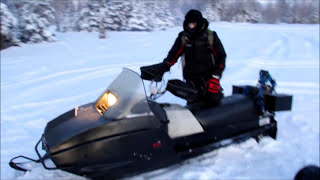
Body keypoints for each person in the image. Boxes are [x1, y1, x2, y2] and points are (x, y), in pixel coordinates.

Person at [141, 9, 227, 105]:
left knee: (214, 102)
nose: (190, 27)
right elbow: (173, 55)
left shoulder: (211, 37)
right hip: (191, 79)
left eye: (193, 24)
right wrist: (162, 68)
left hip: (209, 78)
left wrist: (216, 76)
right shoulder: (184, 38)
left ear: (199, 23)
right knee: (194, 104)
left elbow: (221, 56)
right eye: (189, 24)